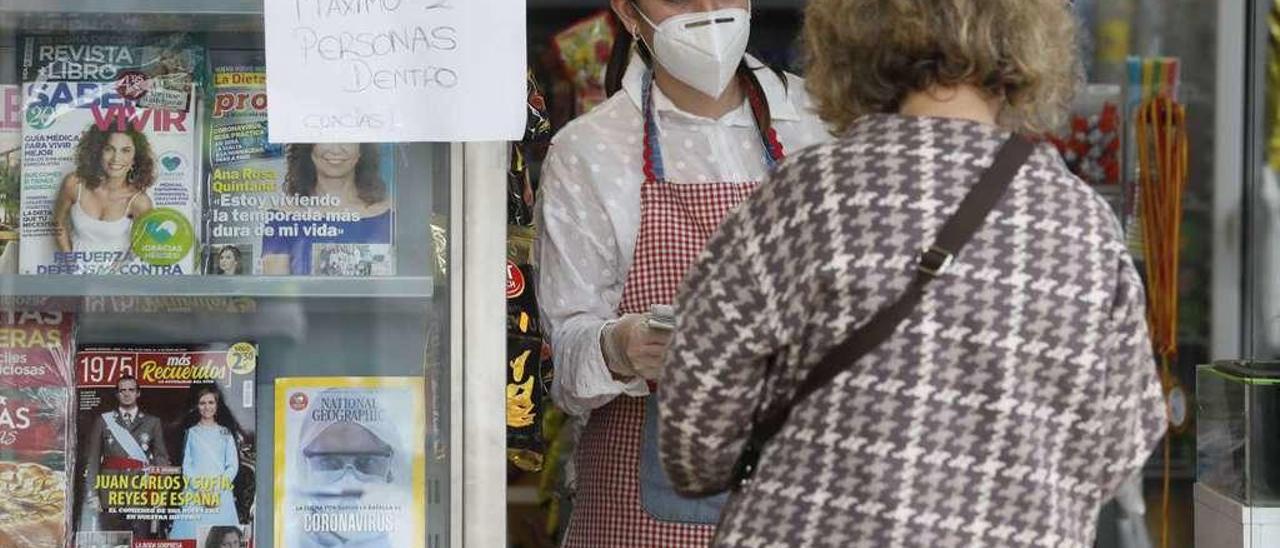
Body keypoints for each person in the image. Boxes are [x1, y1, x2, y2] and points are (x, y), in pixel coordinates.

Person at [656, 1, 1169, 546]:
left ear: (851, 42)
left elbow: (694, 445)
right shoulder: (1083, 224)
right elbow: (1121, 444)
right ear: (1031, 44)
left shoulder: (802, 201)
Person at [535, 0, 830, 544]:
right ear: (628, 14)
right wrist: (619, 348)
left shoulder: (823, 125)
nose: (706, 10)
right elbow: (565, 364)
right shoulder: (590, 151)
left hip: (800, 505)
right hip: (640, 516)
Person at [261, 143, 391, 275]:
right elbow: (278, 291)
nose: (336, 150)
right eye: (325, 139)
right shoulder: (281, 218)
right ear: (309, 147)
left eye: (346, 139)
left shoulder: (391, 215)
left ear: (362, 149)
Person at [81, 375, 171, 539]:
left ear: (138, 393)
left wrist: (160, 492)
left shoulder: (152, 422)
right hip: (109, 493)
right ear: (117, 394)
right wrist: (92, 494)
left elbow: (161, 459)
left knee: (140, 540)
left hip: (140, 493)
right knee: (112, 541)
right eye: (123, 390)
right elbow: (93, 460)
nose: (127, 394)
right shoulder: (103, 421)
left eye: (131, 390)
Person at [53, 125, 156, 260]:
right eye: (109, 149)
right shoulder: (74, 184)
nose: (116, 158)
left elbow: (141, 247)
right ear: (98, 151)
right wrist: (69, 262)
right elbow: (58, 222)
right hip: (76, 277)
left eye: (125, 151)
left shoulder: (140, 202)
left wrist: (117, 271)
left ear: (135, 158)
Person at [169, 386, 242, 540]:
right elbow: (187, 465)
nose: (207, 407)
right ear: (197, 405)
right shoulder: (191, 432)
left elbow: (232, 465)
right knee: (190, 537)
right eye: (202, 403)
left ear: (217, 405)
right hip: (195, 493)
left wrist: (216, 489)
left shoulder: (225, 433)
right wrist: (200, 489)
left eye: (211, 402)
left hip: (220, 493)